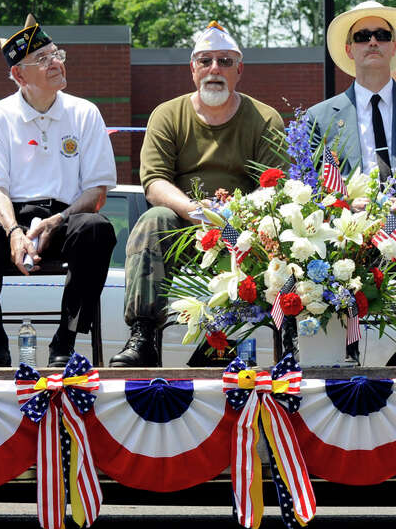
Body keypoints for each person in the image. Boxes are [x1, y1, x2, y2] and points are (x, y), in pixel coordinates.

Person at [110, 22, 284, 367]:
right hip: (184, 225)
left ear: (239, 70)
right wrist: (193, 209)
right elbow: (154, 181)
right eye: (205, 61)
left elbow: (274, 186)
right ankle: (143, 335)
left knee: (281, 228)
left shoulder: (265, 118)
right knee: (153, 220)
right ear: (193, 69)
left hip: (245, 228)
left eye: (225, 61)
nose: (214, 69)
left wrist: (234, 215)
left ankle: (271, 342)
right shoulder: (167, 115)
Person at [0, 16, 116, 367]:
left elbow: (96, 191)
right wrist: (14, 232)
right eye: (42, 59)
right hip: (10, 220)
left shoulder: (85, 113)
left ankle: (65, 341)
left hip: (66, 218)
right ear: (19, 75)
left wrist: (57, 220)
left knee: (97, 228)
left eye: (56, 54)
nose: (55, 62)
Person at [306, 1, 396, 220]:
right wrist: (345, 202)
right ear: (349, 50)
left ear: (393, 47)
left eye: (382, 35)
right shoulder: (319, 118)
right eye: (362, 36)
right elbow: (310, 179)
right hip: (347, 221)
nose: (373, 41)